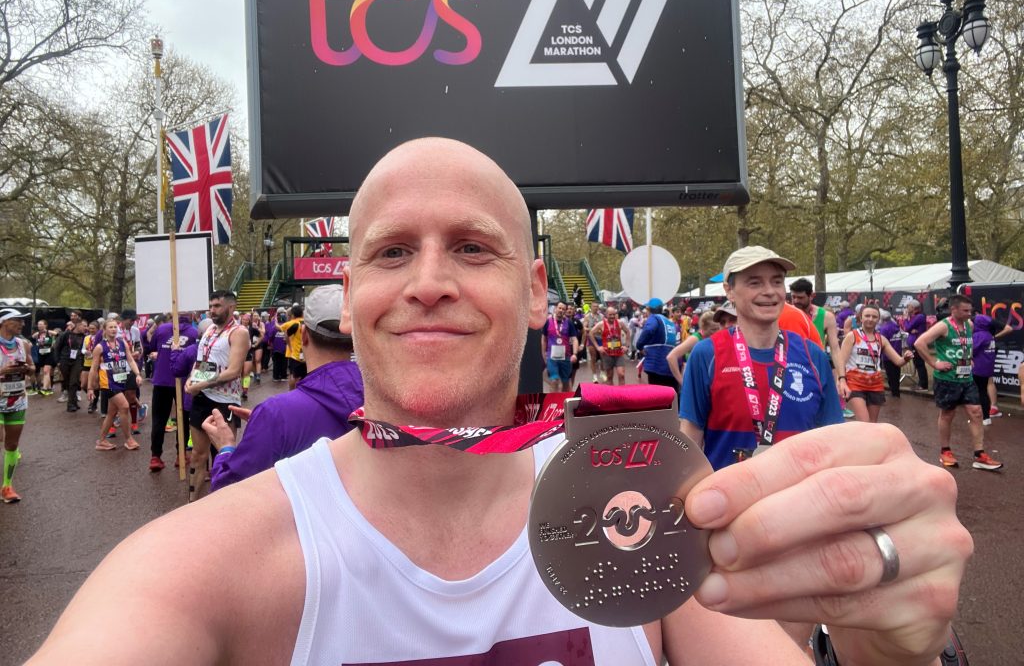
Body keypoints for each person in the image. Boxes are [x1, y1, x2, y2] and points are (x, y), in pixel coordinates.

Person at [30, 139, 970, 666]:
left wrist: (888, 650)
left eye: (472, 249)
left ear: (533, 293)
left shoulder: (634, 523)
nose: (428, 281)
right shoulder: (199, 568)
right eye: (391, 252)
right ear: (349, 293)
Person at [679, 246, 843, 471]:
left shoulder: (812, 355)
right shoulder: (707, 354)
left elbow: (833, 437)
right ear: (729, 290)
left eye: (777, 282)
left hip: (800, 499)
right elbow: (691, 433)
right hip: (728, 500)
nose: (769, 291)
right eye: (754, 282)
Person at [202, 285, 363, 491]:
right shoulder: (387, 402)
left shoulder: (276, 413)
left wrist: (225, 448)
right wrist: (270, 428)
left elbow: (231, 489)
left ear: (304, 335)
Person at [914, 293, 1002, 470]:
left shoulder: (969, 325)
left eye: (970, 310)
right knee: (948, 414)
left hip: (966, 377)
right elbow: (919, 342)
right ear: (954, 309)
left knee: (976, 412)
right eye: (965, 310)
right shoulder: (943, 326)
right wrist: (934, 363)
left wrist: (968, 358)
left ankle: (979, 455)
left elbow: (965, 344)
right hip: (947, 379)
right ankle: (945, 451)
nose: (970, 313)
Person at [184, 291, 249, 497]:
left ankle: (223, 503)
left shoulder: (239, 332)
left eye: (217, 306)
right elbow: (203, 361)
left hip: (225, 401)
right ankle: (192, 504)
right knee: (197, 455)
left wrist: (200, 384)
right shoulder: (210, 329)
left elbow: (233, 371)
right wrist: (192, 379)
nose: (212, 310)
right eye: (211, 306)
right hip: (202, 398)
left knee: (225, 455)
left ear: (231, 307)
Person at [836, 303, 912, 423]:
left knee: (872, 424)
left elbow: (898, 361)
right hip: (855, 383)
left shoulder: (881, 339)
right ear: (861, 317)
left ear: (878, 319)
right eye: (867, 316)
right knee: (864, 422)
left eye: (874, 317)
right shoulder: (852, 336)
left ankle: (866, 442)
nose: (870, 319)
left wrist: (906, 358)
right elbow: (841, 361)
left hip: (875, 384)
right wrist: (841, 380)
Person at [147, 312, 199, 472]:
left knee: (159, 420)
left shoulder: (162, 329)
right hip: (183, 381)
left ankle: (155, 456)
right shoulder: (194, 333)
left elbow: (152, 347)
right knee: (182, 419)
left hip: (162, 379)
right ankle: (180, 455)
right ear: (191, 315)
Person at [87, 319, 141, 451]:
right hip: (108, 383)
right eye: (110, 327)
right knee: (124, 406)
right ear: (104, 330)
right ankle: (128, 439)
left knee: (111, 413)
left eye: (115, 327)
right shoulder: (100, 347)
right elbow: (93, 369)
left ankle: (101, 441)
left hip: (120, 380)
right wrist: (90, 387)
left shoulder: (122, 343)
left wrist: (138, 374)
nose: (113, 329)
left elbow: (130, 359)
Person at [1, 309, 35, 503]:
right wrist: (3, 370)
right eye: (18, 320)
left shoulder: (23, 344)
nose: (22, 324)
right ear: (4, 322)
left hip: (17, 399)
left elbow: (32, 368)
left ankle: (7, 487)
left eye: (23, 321)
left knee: (12, 444)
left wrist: (27, 368)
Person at [971, 314, 1012, 424]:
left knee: (978, 392)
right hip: (987, 367)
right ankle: (986, 417)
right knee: (983, 390)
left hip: (977, 367)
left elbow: (970, 351)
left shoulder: (978, 335)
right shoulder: (989, 335)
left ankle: (982, 417)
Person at [788, 278, 841, 363]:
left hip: (816, 365)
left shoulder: (826, 316)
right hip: (791, 365)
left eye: (800, 297)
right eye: (793, 297)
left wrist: (841, 375)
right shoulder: (785, 313)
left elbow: (835, 349)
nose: (796, 301)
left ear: (811, 296)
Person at [667, 309, 719, 387]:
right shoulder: (695, 339)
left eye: (718, 328)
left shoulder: (712, 337)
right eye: (713, 329)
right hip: (694, 382)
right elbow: (671, 357)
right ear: (703, 327)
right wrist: (682, 382)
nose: (717, 332)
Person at [635, 298, 677, 387]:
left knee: (656, 392)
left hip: (656, 362)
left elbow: (649, 329)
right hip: (669, 364)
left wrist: (639, 346)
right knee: (667, 393)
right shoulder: (670, 322)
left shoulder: (654, 318)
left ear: (648, 309)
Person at [541, 301, 577, 392]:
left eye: (563, 309)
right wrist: (544, 354)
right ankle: (553, 403)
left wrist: (575, 354)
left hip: (566, 357)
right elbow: (544, 339)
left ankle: (565, 403)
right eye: (559, 308)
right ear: (555, 308)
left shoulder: (569, 323)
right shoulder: (548, 322)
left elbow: (574, 339)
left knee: (565, 382)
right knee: (554, 380)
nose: (561, 310)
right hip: (552, 357)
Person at [590, 304, 629, 385]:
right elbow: (591, 333)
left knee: (621, 374)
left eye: (614, 314)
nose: (612, 316)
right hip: (607, 353)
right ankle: (612, 396)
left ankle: (622, 395)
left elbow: (627, 331)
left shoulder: (620, 322)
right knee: (609, 376)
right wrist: (598, 347)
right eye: (610, 314)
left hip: (619, 352)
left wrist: (626, 346)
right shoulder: (601, 324)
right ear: (606, 315)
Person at [57, 320, 87, 412]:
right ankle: (74, 402)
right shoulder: (65, 335)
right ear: (77, 325)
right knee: (67, 381)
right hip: (65, 360)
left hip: (77, 361)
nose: (86, 328)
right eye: (84, 326)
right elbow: (57, 347)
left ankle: (70, 405)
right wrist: (58, 361)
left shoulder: (84, 337)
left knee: (74, 381)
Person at [876, 309, 904, 398]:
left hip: (888, 356)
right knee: (896, 374)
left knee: (890, 375)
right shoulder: (896, 326)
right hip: (898, 353)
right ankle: (896, 391)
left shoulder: (884, 328)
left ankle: (894, 393)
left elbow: (881, 342)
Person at [903, 299, 930, 390]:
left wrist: (906, 319)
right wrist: (911, 329)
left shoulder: (919, 316)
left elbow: (907, 327)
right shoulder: (915, 316)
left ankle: (923, 384)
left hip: (917, 343)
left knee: (919, 363)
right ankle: (921, 383)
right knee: (917, 363)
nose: (907, 308)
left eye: (909, 306)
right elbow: (909, 328)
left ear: (913, 307)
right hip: (914, 342)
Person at [281, 303, 306, 389]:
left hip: (295, 354)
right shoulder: (308, 323)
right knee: (304, 376)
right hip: (306, 354)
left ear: (293, 315)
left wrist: (289, 345)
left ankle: (292, 392)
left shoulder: (295, 324)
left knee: (293, 375)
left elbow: (286, 334)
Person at [30, 319, 56, 395]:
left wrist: (54, 343)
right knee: (44, 371)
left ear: (45, 325)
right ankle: (49, 388)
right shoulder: (36, 334)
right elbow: (30, 340)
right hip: (41, 354)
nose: (39, 326)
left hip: (49, 354)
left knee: (46, 371)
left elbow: (59, 334)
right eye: (38, 324)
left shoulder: (49, 332)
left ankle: (44, 388)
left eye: (41, 324)